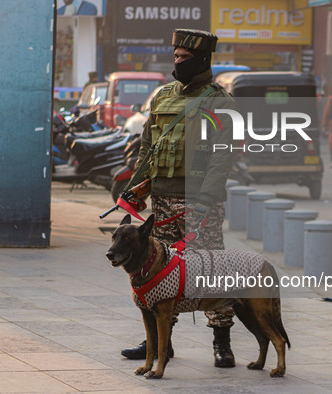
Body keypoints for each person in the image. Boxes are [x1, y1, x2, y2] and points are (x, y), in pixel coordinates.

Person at [120, 29, 237, 368]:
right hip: (162, 202)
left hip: (202, 204)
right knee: (156, 273)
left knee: (211, 271)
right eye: (176, 57)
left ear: (202, 60)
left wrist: (206, 201)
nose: (178, 62)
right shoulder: (161, 97)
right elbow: (147, 148)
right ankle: (159, 344)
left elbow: (222, 157)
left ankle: (222, 342)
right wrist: (135, 186)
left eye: (184, 58)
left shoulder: (221, 102)